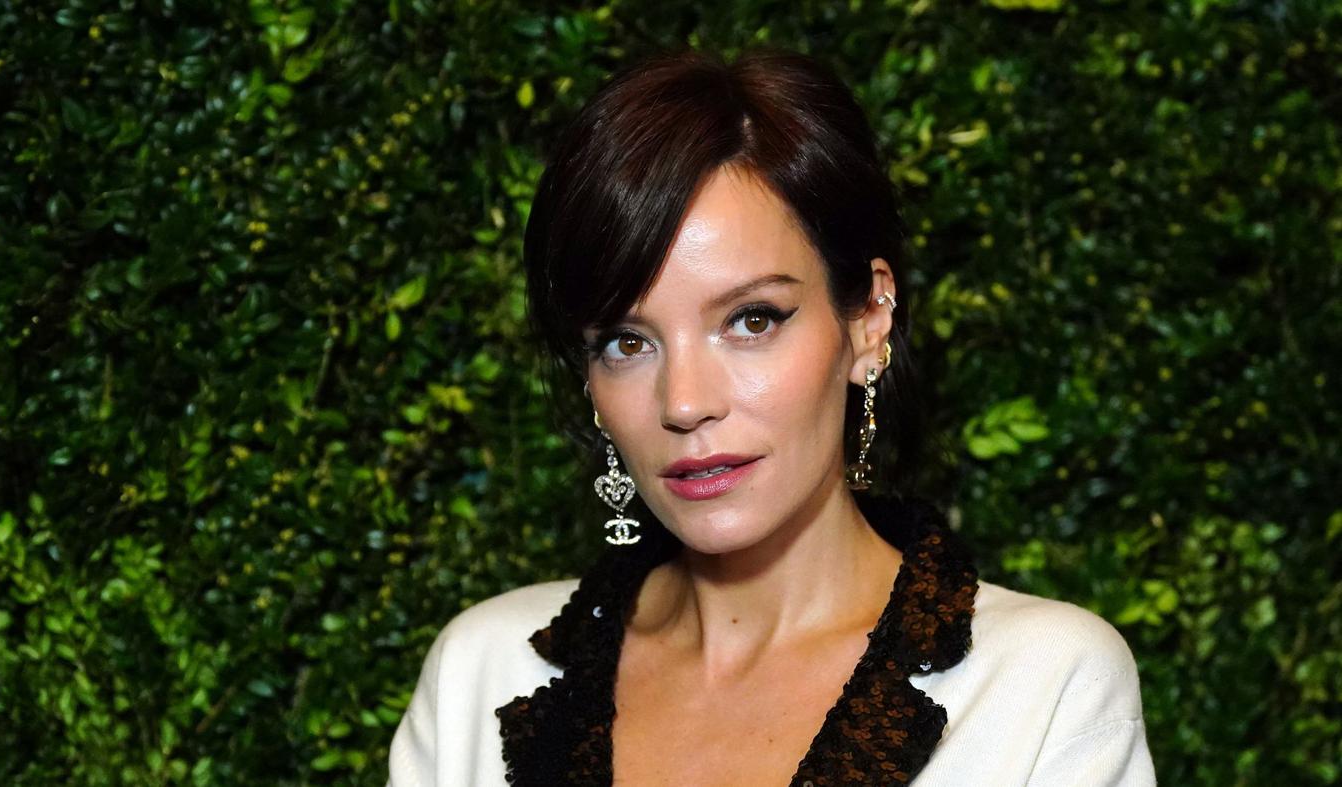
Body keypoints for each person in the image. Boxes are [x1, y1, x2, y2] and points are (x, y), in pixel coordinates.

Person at [387, 47, 1155, 786]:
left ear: (869, 319)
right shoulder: (480, 676)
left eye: (751, 320)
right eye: (627, 342)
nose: (685, 402)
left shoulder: (1042, 689)